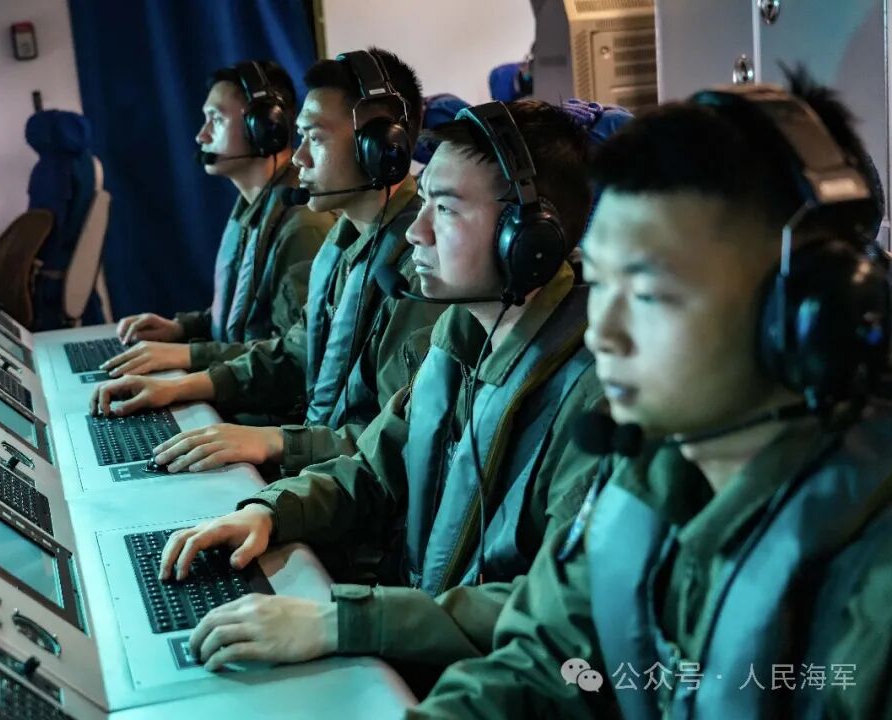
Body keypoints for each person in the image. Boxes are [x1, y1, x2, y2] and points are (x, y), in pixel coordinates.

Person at [411, 74, 892, 719]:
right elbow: (543, 665)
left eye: (647, 294)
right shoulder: (646, 474)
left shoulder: (874, 586)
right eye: (601, 283)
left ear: (808, 316)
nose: (603, 333)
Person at [156, 99, 606, 680]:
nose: (417, 231)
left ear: (527, 238)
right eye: (424, 203)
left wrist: (342, 622)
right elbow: (373, 469)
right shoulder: (462, 333)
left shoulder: (593, 398)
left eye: (445, 209)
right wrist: (269, 511)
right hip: (415, 644)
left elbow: (557, 615)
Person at [92, 49, 443, 475]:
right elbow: (295, 354)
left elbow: (397, 443)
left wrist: (272, 441)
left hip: (343, 488)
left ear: (381, 150)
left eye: (315, 138)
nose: (299, 158)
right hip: (318, 472)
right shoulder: (344, 243)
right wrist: (180, 382)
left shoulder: (416, 272)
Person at [103, 60, 331, 378]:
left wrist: (189, 355)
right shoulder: (253, 208)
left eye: (217, 119)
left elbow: (296, 357)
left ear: (265, 128)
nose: (201, 135)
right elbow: (247, 318)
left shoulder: (302, 226)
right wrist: (181, 329)